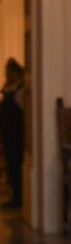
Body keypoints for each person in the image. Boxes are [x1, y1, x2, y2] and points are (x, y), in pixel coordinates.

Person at [0, 58, 24, 210]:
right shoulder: (9, 89)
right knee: (11, 166)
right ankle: (15, 195)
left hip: (16, 135)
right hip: (8, 134)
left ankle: (19, 198)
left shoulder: (20, 90)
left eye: (8, 72)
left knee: (16, 166)